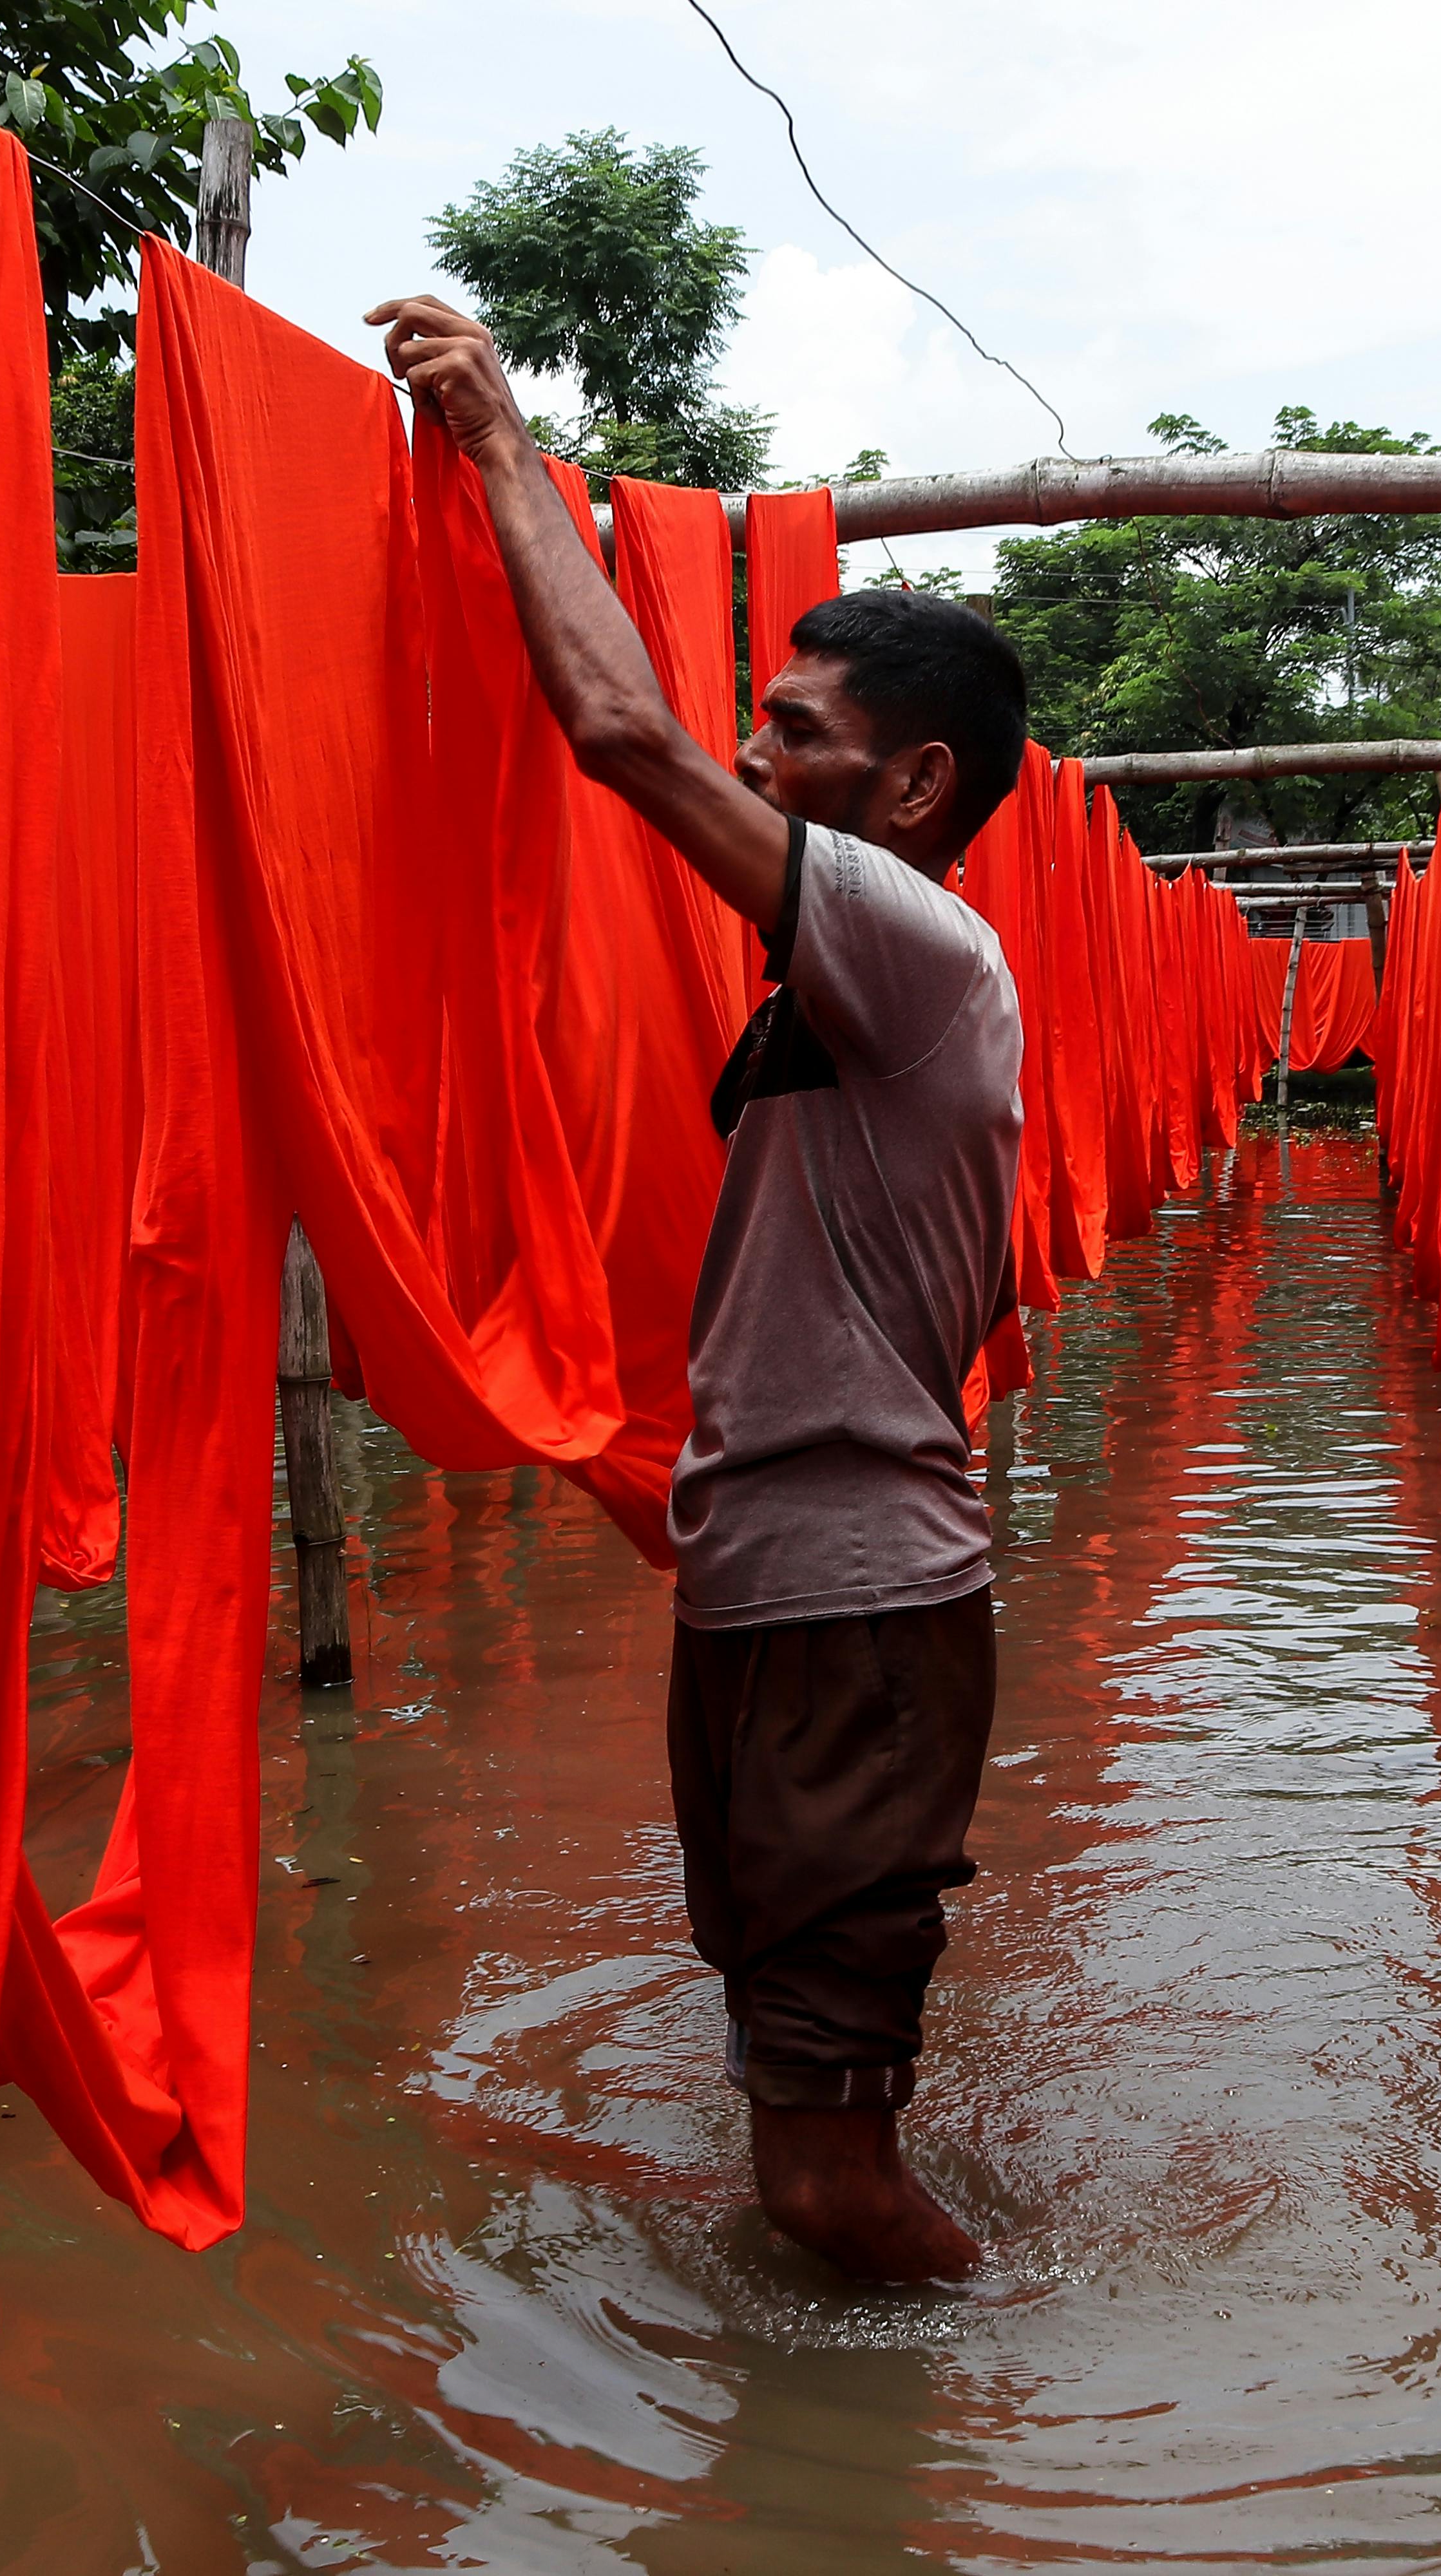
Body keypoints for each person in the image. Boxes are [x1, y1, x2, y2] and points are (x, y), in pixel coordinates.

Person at [367, 294, 1028, 2284]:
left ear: (914, 788)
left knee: (824, 2179)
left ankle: (1031, 2427)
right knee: (779, 2067)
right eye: (764, 721)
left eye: (800, 738)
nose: (757, 756)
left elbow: (620, 736)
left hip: (852, 1613)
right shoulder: (838, 989)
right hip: (771, 1594)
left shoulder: (916, 948)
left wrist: (494, 432)